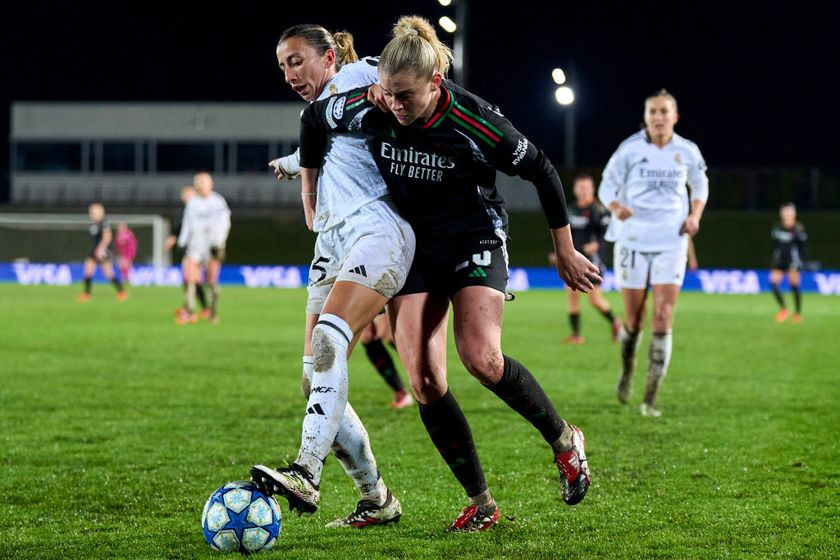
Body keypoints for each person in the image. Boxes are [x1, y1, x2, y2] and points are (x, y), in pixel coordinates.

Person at [298, 16, 596, 531]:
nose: (394, 105)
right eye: (387, 93)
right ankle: (482, 503)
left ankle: (565, 441)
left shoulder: (476, 119)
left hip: (473, 235)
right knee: (426, 380)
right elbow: (313, 122)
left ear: (435, 83)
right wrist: (307, 188)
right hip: (417, 244)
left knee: (480, 356)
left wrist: (564, 248)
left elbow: (542, 169)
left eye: (405, 96)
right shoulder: (373, 102)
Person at [250, 24, 415, 529]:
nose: (289, 74)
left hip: (377, 228)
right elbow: (321, 147)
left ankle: (305, 472)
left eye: (297, 61)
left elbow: (413, 95)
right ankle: (377, 498)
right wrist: (293, 169)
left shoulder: (366, 74)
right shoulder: (314, 114)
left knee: (328, 340)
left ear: (329, 58)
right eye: (282, 66)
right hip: (331, 241)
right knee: (311, 375)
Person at [598, 88, 709, 418]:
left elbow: (700, 187)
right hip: (632, 241)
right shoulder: (629, 150)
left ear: (675, 116)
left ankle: (650, 396)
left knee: (663, 316)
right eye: (653, 112)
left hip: (671, 243)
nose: (659, 117)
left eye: (664, 112)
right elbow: (606, 185)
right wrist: (616, 205)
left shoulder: (688, 152)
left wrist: (694, 217)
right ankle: (627, 368)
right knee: (634, 319)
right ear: (645, 118)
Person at [553, 173, 621, 344]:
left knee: (595, 299)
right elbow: (564, 234)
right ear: (575, 190)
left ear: (592, 190)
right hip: (573, 259)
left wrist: (597, 245)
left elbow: (606, 234)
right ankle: (576, 335)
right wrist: (558, 252)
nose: (583, 191)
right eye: (580, 187)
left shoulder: (598, 210)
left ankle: (615, 322)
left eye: (586, 188)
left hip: (592, 261)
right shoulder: (572, 209)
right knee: (572, 294)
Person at [176, 173, 230, 324]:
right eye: (199, 182)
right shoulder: (192, 203)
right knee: (189, 278)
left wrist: (219, 243)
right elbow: (187, 225)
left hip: (213, 246)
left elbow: (225, 223)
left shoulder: (218, 201)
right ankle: (190, 311)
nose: (202, 185)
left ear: (210, 184)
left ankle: (213, 312)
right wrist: (182, 242)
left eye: (205, 182)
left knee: (212, 281)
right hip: (195, 245)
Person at [165, 185, 210, 322]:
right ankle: (203, 309)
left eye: (189, 195)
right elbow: (180, 229)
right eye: (185, 196)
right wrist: (174, 238)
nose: (187, 198)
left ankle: (190, 312)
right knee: (192, 280)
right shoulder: (183, 212)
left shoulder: (201, 211)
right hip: (189, 249)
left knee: (191, 279)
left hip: (199, 250)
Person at [77, 203, 127, 302]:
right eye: (90, 212)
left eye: (93, 212)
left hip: (102, 250)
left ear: (100, 212)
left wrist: (101, 249)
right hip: (94, 249)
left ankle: (121, 292)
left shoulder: (104, 222)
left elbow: (107, 237)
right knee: (88, 271)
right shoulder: (95, 223)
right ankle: (86, 294)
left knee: (108, 274)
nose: (91, 214)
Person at [770, 202, 808, 323]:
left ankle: (797, 313)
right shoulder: (777, 227)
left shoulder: (798, 229)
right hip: (780, 261)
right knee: (773, 283)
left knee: (794, 286)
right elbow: (775, 244)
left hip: (793, 262)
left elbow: (803, 248)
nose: (786, 214)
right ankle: (784, 309)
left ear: (794, 214)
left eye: (789, 212)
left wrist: (805, 262)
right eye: (784, 211)